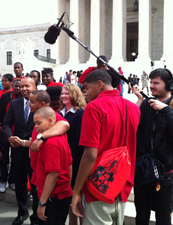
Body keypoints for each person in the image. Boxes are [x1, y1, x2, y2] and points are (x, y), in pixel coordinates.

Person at [71, 70, 140, 225]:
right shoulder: (134, 108)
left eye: (87, 88)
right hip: (122, 183)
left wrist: (76, 191)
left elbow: (90, 155)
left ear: (100, 84)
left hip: (99, 185)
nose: (85, 94)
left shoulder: (94, 107)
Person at [130, 68, 173, 225]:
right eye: (150, 82)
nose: (151, 86)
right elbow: (131, 126)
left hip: (165, 173)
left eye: (156, 83)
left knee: (163, 218)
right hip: (144, 170)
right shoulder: (146, 104)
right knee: (141, 215)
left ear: (169, 85)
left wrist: (166, 110)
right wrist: (138, 100)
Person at [2, 77, 38, 225]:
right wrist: (9, 137)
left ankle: (36, 216)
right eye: (21, 86)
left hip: (34, 151)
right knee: (20, 184)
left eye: (27, 86)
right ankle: (22, 212)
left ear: (34, 86)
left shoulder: (41, 103)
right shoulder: (14, 103)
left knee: (36, 186)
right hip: (17, 151)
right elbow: (6, 124)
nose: (23, 89)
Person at [33, 107, 73, 225]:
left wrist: (42, 203)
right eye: (35, 123)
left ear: (51, 121)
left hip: (54, 196)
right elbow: (70, 164)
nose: (36, 127)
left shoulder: (51, 143)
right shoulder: (60, 138)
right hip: (61, 193)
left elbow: (53, 174)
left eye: (39, 123)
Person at [59, 84, 85, 225]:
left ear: (74, 95)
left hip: (74, 161)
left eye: (66, 94)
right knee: (69, 199)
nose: (63, 96)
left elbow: (79, 139)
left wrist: (67, 153)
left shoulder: (80, 113)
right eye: (62, 93)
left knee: (77, 197)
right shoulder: (60, 112)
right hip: (63, 162)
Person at [0, 79, 22, 193]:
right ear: (12, 86)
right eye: (16, 86)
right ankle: (2, 180)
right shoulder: (5, 97)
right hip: (5, 132)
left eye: (20, 87)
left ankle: (12, 180)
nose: (18, 88)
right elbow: (0, 112)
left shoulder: (23, 99)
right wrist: (1, 127)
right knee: (4, 157)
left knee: (15, 159)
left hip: (17, 133)